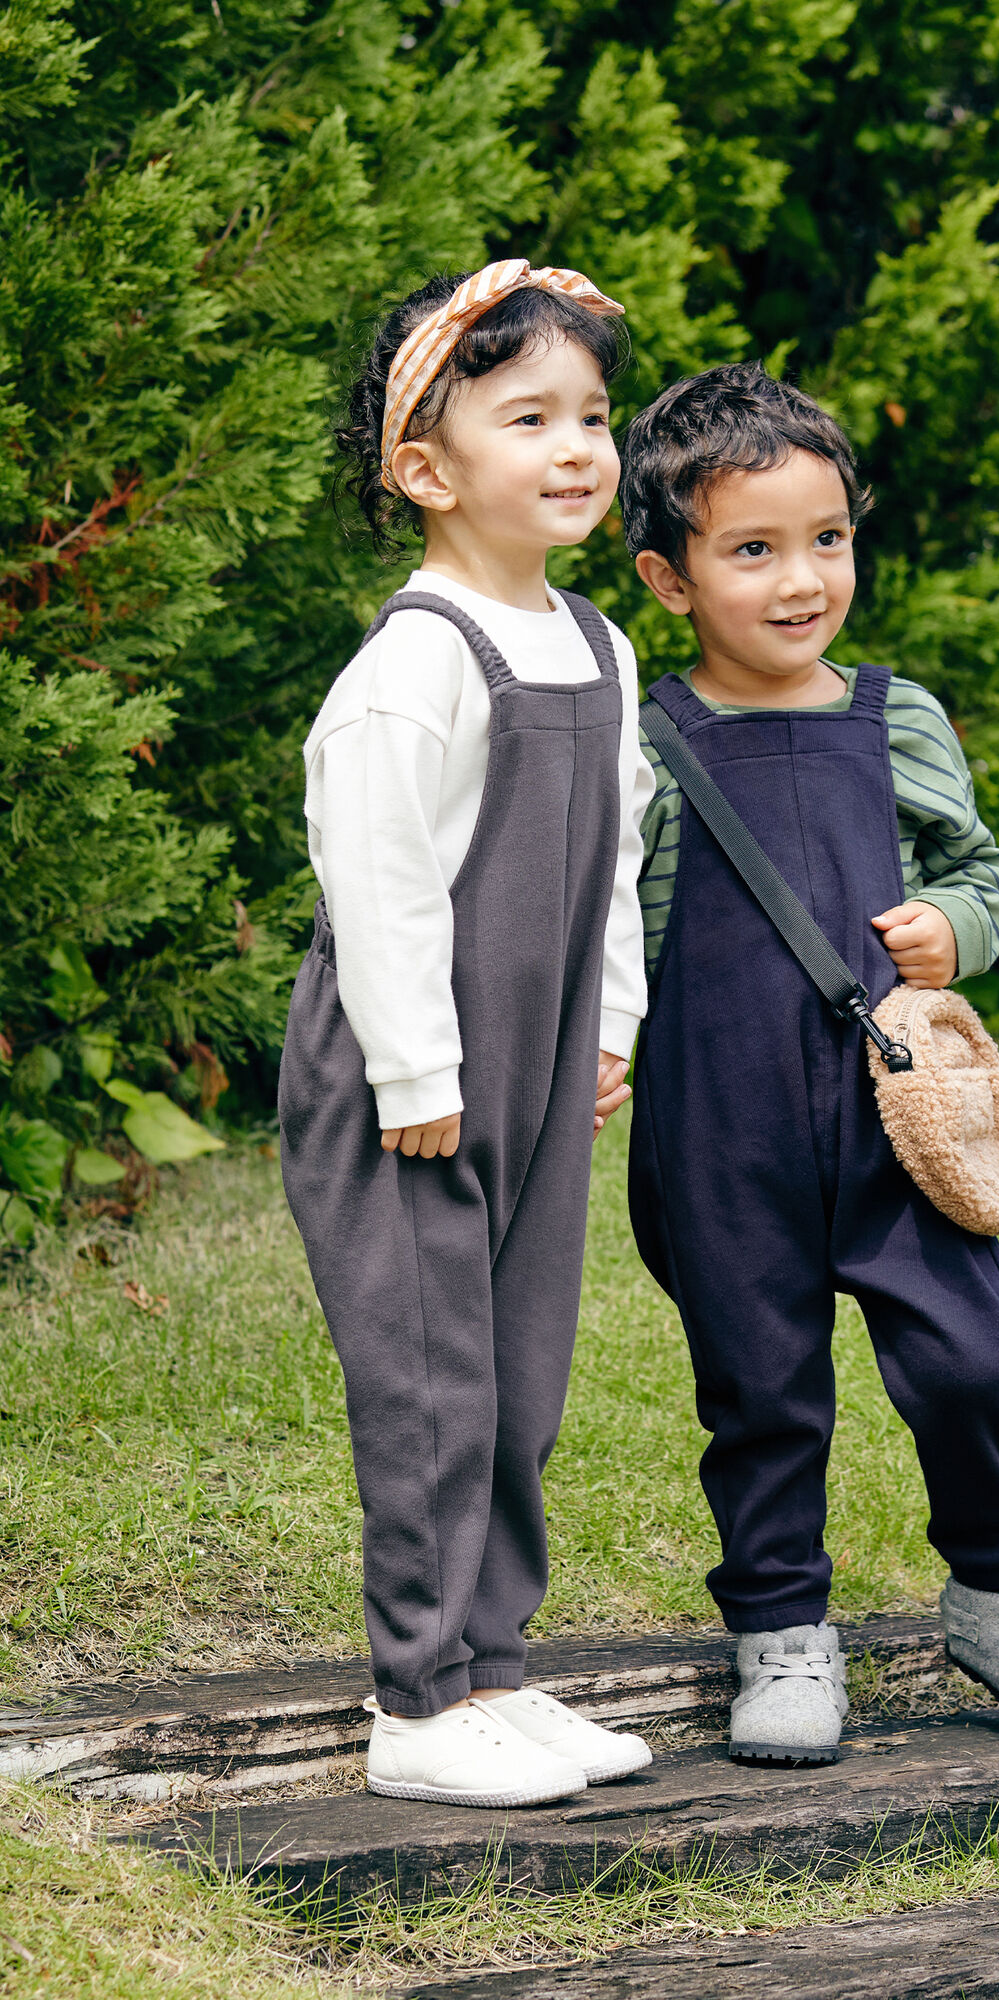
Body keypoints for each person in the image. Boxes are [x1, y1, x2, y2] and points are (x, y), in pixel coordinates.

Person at [619, 362, 999, 1766]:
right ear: (671, 579)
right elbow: (615, 926)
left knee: (974, 1357)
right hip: (716, 1126)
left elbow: (982, 869)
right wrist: (601, 1045)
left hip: (896, 1114)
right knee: (761, 1385)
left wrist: (953, 932)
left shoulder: (895, 718)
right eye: (754, 549)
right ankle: (780, 1630)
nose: (802, 579)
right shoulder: (651, 745)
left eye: (828, 538)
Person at [279, 261, 656, 1808]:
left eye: (592, 414)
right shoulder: (418, 664)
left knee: (518, 1368)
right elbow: (374, 882)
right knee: (432, 1380)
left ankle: (496, 1666)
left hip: (537, 1062)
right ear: (427, 468)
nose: (577, 447)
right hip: (404, 1084)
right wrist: (421, 1072)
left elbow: (618, 862)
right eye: (530, 418)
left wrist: (610, 1024)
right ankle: (418, 1701)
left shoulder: (601, 647)